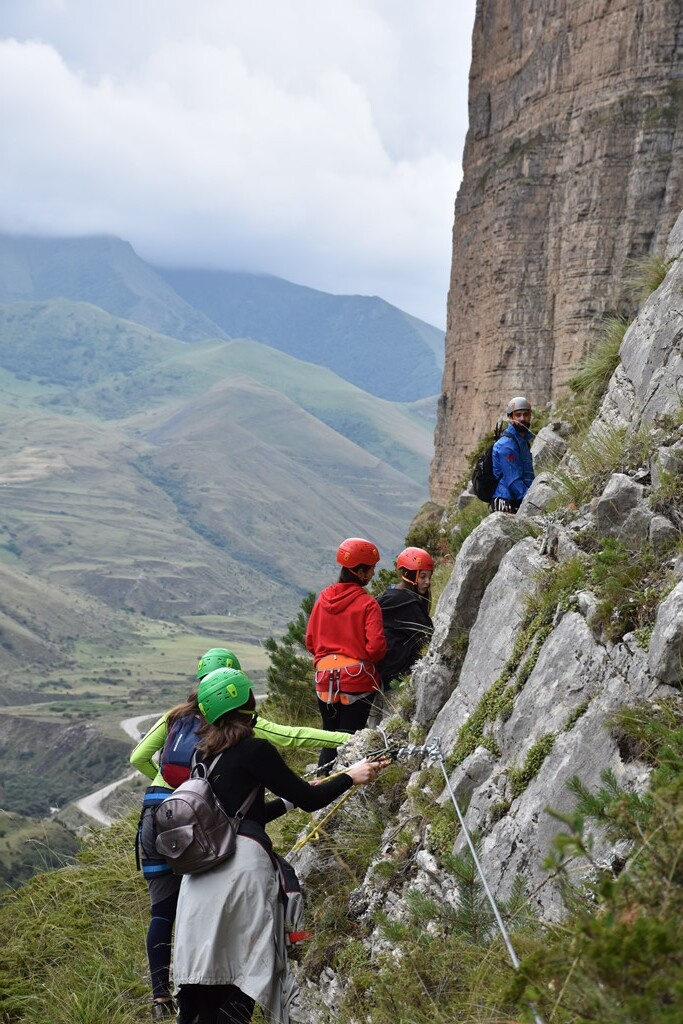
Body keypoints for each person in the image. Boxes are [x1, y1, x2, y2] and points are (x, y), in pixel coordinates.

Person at [130, 647, 352, 1020]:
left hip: (170, 831)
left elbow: (140, 757)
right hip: (230, 856)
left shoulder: (189, 739)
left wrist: (170, 790)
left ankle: (159, 996)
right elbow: (296, 750)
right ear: (244, 701)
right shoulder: (249, 742)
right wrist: (350, 754)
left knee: (174, 933)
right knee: (241, 969)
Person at [173, 667, 386, 1024]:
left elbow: (238, 815)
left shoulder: (201, 757)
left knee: (200, 986)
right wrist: (350, 776)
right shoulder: (254, 749)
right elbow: (308, 800)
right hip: (241, 875)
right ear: (246, 702)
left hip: (197, 881)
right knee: (241, 976)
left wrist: (290, 800)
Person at [305, 537, 387, 769]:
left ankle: (322, 781)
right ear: (360, 572)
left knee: (328, 737)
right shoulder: (368, 604)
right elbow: (376, 648)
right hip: (357, 680)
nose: (372, 574)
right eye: (371, 569)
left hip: (324, 680)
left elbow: (311, 641)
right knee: (351, 739)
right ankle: (347, 784)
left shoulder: (323, 598)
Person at [369, 547, 434, 727]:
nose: (427, 582)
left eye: (429, 576)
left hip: (375, 677)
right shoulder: (409, 603)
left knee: (374, 729)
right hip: (396, 681)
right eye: (422, 576)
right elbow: (427, 638)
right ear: (408, 574)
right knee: (390, 729)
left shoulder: (386, 597)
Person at [490, 396, 535, 513]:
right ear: (510, 417)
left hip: (519, 498)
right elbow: (513, 480)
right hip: (506, 501)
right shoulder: (507, 445)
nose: (522, 418)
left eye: (526, 414)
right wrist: (533, 500)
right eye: (518, 415)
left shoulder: (522, 442)